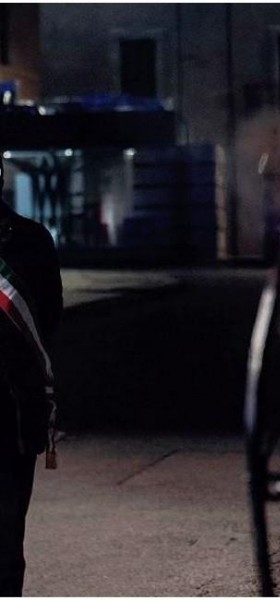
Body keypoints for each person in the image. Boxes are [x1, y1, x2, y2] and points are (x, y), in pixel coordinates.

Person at [0, 156, 63, 597]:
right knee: (5, 536)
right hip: (14, 410)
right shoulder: (32, 239)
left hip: (13, 412)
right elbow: (51, 319)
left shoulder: (30, 239)